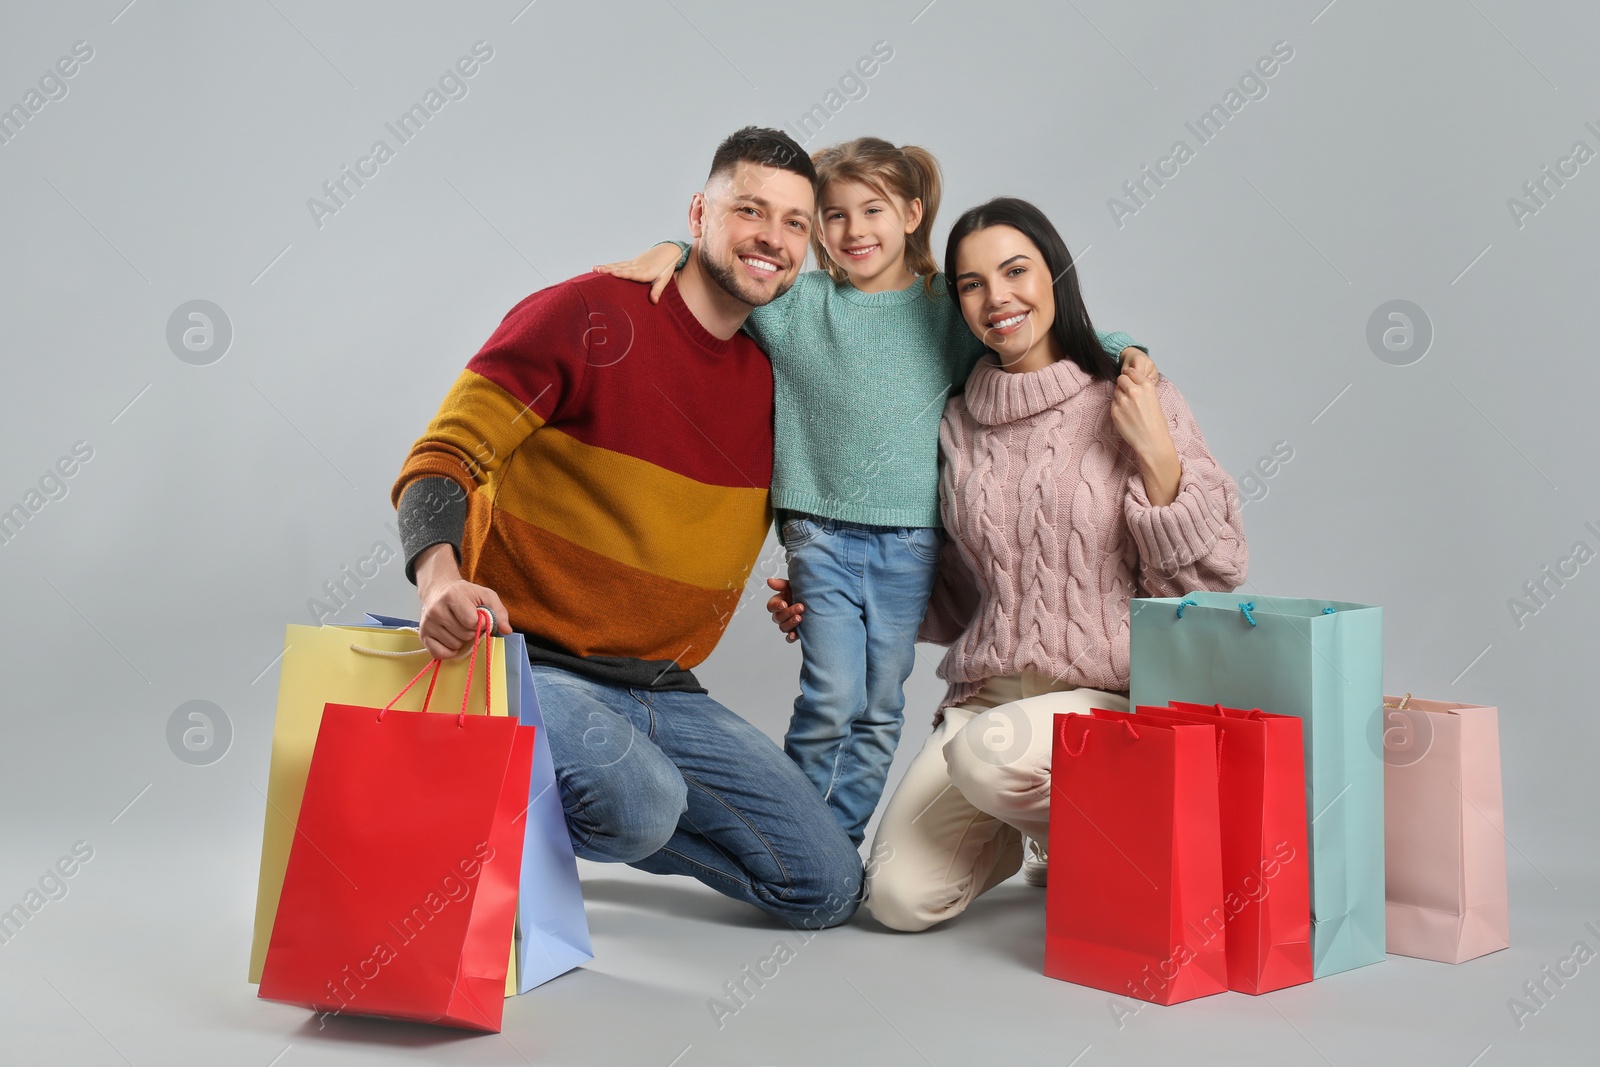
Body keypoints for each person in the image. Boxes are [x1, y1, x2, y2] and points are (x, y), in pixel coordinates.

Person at [596, 138, 1155, 850]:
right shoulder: (801, 305)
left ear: (913, 214)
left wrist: (1128, 348)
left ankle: (835, 843)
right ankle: (800, 842)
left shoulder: (943, 314)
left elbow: (1050, 336)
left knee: (880, 704)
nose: (855, 230)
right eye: (833, 215)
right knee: (831, 697)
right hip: (820, 536)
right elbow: (733, 266)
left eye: (874, 210)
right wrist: (670, 249)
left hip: (910, 542)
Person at [388, 127, 864, 930]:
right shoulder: (586, 313)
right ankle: (472, 800)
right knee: (640, 805)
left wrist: (810, 584)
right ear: (699, 213)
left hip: (660, 686)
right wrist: (439, 578)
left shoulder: (775, 378)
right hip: (528, 663)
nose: (771, 239)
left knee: (825, 885)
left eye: (793, 224)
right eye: (749, 210)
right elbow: (443, 457)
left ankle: (540, 812)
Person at [768, 197, 1248, 931]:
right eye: (971, 283)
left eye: (1016, 270)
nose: (998, 298)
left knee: (990, 760)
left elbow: (1213, 576)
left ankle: (1099, 832)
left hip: (1109, 694)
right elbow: (960, 588)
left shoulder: (1134, 395)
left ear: (1055, 274)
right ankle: (1045, 833)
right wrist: (835, 594)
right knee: (896, 898)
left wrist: (1156, 453)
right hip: (989, 698)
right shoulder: (959, 420)